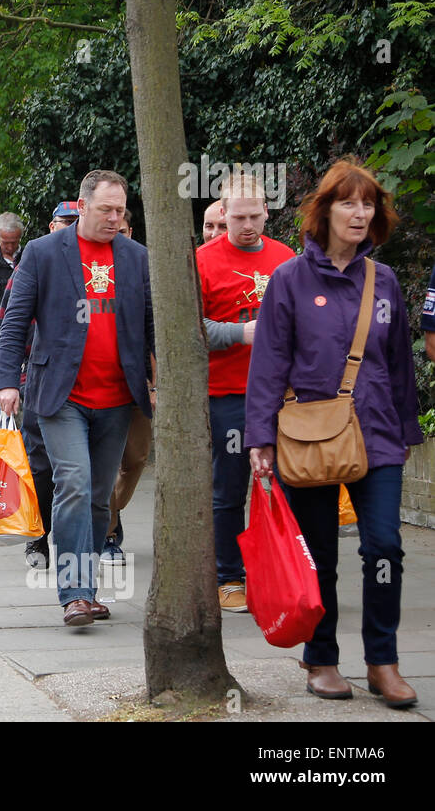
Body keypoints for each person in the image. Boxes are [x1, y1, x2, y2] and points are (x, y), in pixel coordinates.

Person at [247, 159, 422, 708]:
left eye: (368, 203)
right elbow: (269, 364)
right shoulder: (288, 280)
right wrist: (260, 438)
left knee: (385, 548)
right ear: (323, 211)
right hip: (308, 437)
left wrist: (406, 432)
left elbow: (399, 367)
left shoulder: (385, 281)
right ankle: (321, 660)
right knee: (318, 552)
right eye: (348, 202)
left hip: (377, 437)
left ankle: (383, 662)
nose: (360, 212)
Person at [0, 169, 154, 627]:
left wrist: (162, 382)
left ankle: (87, 590)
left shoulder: (135, 257)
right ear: (81, 207)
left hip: (117, 397)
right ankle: (75, 594)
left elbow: (150, 324)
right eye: (106, 209)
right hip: (61, 396)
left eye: (120, 211)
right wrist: (6, 381)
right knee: (75, 484)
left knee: (100, 498)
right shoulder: (43, 253)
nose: (114, 218)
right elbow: (15, 320)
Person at [193, 174, 297, 611]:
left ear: (268, 212)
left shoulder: (287, 258)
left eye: (255, 215)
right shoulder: (201, 260)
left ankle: (284, 571)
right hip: (229, 391)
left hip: (284, 395)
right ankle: (229, 576)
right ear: (223, 212)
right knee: (231, 487)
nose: (247, 224)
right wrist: (242, 333)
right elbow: (190, 327)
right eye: (238, 217)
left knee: (288, 486)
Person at [0, 201, 79, 569]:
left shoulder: (96, 267)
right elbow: (10, 322)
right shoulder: (36, 261)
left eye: (74, 222)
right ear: (51, 226)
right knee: (39, 466)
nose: (68, 229)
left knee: (80, 474)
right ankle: (37, 537)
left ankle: (97, 539)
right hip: (37, 381)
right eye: (62, 223)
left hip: (86, 385)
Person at [102, 207, 154, 566]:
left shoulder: (142, 264)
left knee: (136, 458)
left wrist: (155, 380)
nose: (115, 236)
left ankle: (111, 510)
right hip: (100, 385)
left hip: (137, 382)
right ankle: (107, 530)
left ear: (131, 231)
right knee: (102, 464)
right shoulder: (92, 268)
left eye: (121, 230)